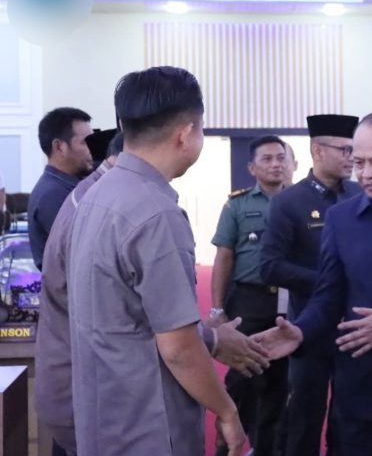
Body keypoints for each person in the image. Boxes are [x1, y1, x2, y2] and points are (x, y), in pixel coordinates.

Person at [67, 66, 250, 456]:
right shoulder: (156, 213)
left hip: (103, 417)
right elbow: (178, 347)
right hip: (147, 425)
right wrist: (227, 410)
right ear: (186, 134)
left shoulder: (96, 195)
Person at [255, 110, 372, 455]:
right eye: (359, 162)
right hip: (360, 385)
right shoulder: (341, 220)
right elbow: (327, 298)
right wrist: (300, 331)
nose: (367, 173)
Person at [261, 114, 362, 456]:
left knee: (351, 418)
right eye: (344, 150)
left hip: (354, 329)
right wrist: (327, 282)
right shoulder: (289, 202)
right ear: (318, 151)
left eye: (353, 150)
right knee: (304, 417)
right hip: (309, 327)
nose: (351, 158)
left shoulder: (358, 196)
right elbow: (269, 266)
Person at [210, 135, 290, 456]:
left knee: (280, 382)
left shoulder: (297, 202)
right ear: (252, 167)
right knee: (243, 379)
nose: (275, 164)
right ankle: (227, 445)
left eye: (281, 158)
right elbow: (224, 257)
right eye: (267, 159)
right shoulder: (237, 205)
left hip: (287, 301)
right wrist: (217, 308)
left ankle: (266, 448)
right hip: (249, 300)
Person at [28, 107, 93, 269]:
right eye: (85, 142)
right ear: (59, 147)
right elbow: (84, 251)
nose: (93, 148)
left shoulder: (68, 185)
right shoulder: (52, 195)